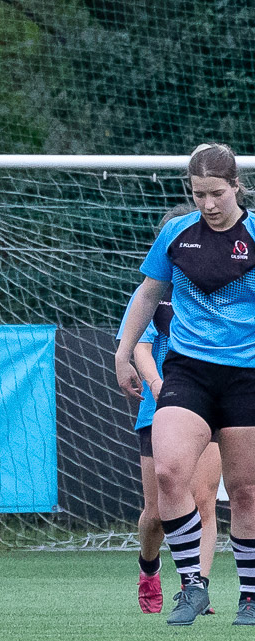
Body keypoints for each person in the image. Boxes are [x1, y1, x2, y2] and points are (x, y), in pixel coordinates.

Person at [115, 142, 255, 627]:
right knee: (170, 475)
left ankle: (251, 597)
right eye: (199, 195)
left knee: (245, 491)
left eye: (217, 193)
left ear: (236, 186)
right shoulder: (176, 233)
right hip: (188, 369)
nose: (209, 204)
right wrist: (123, 350)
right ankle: (192, 586)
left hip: (247, 374)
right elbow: (149, 292)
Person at [117, 206, 222, 615]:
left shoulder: (226, 288)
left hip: (211, 406)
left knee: (205, 500)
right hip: (161, 408)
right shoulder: (154, 293)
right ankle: (148, 565)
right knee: (158, 512)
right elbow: (139, 346)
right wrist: (160, 389)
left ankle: (196, 587)